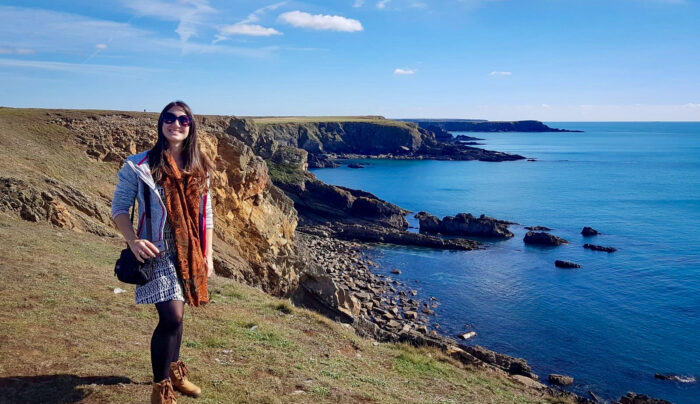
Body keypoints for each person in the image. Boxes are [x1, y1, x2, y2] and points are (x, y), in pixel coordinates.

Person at [111, 100, 214, 404]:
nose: (176, 124)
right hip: (157, 252)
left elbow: (206, 215)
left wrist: (208, 256)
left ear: (190, 126)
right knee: (172, 316)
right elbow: (118, 209)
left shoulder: (200, 167)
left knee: (177, 320)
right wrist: (133, 240)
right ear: (161, 124)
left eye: (183, 120)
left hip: (190, 252)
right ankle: (162, 390)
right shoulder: (139, 165)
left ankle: (177, 376)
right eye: (169, 119)